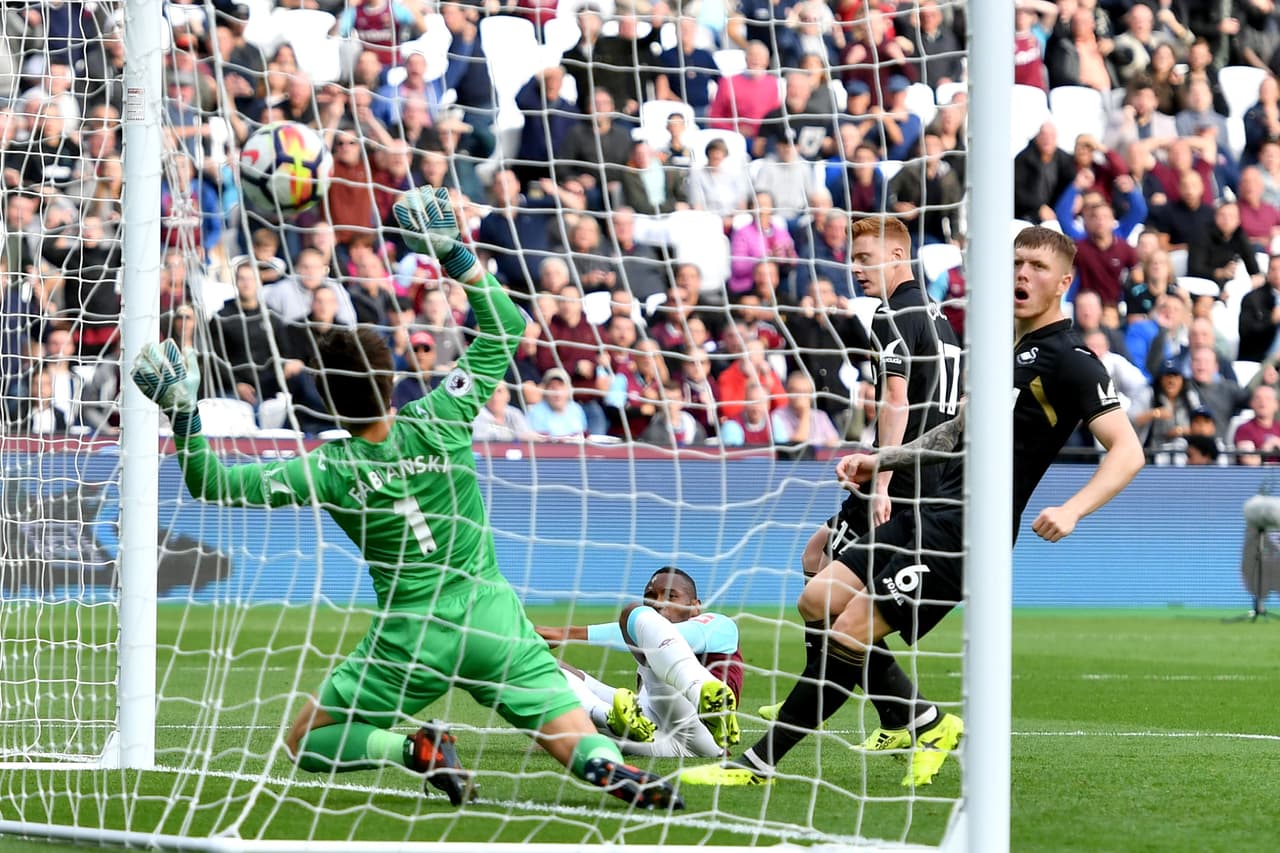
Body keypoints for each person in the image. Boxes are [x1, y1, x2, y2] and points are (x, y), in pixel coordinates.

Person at [129, 188, 681, 810]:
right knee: (572, 735)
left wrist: (183, 415)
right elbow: (507, 324)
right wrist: (451, 252)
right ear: (390, 376)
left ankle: (412, 750)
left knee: (306, 740)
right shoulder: (441, 415)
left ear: (326, 402)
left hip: (412, 634)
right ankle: (606, 768)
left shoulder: (328, 468)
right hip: (493, 614)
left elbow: (213, 484)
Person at [682, 226, 1144, 789]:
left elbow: (1128, 451)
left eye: (1038, 268)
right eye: (1016, 262)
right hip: (931, 508)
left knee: (851, 630)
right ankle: (925, 722)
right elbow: (953, 433)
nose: (1022, 274)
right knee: (816, 599)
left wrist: (1072, 509)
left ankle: (754, 767)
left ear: (1064, 282)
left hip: (972, 529)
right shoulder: (1003, 351)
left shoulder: (1073, 361)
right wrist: (881, 461)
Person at [534, 566, 742, 758]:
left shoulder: (719, 625)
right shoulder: (652, 642)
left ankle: (705, 700)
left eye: (671, 596)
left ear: (695, 606)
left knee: (632, 614)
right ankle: (607, 716)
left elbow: (665, 633)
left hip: (702, 732)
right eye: (650, 597)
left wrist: (565, 633)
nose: (658, 603)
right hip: (654, 734)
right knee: (540, 666)